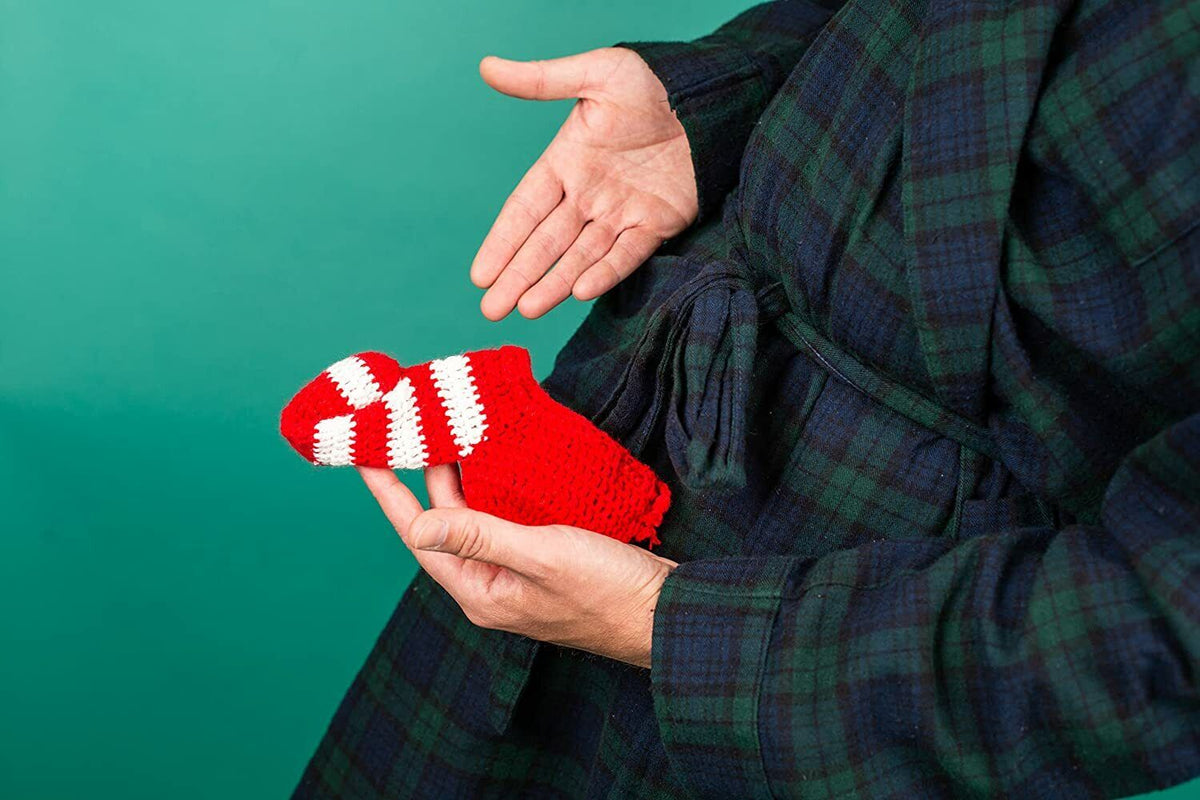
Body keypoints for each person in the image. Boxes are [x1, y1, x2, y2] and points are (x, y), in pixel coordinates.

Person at [293, 0, 1200, 797]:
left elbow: (1167, 633)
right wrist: (718, 101)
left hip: (878, 630)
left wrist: (695, 639)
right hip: (654, 377)